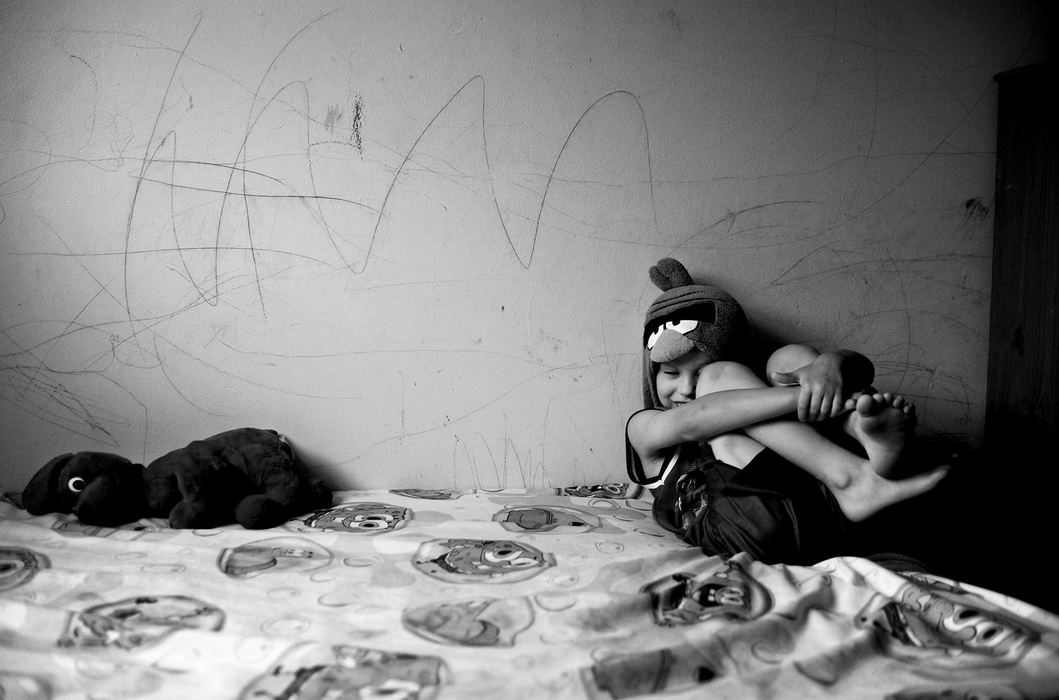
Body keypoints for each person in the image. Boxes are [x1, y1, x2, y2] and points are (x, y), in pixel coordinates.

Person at [625, 258, 950, 565]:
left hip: (819, 510)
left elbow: (858, 367)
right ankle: (851, 475)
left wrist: (832, 366)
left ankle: (860, 435)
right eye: (671, 373)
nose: (685, 389)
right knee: (721, 381)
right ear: (651, 376)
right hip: (748, 526)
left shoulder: (744, 381)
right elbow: (694, 422)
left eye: (698, 373)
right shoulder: (644, 428)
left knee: (788, 359)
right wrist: (812, 396)